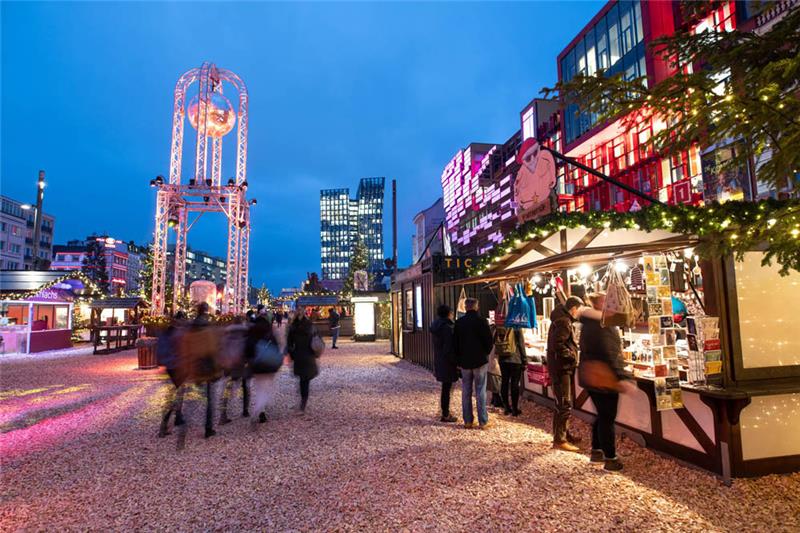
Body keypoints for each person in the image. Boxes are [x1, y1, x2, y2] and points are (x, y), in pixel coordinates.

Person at [578, 292, 627, 471]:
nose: (614, 305)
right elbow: (609, 352)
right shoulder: (602, 325)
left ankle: (597, 451)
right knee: (607, 417)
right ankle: (610, 458)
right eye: (610, 301)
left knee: (601, 415)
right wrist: (621, 376)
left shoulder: (589, 323)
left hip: (591, 374)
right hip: (604, 376)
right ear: (600, 304)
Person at [546, 296, 584, 452]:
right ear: (574, 308)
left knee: (561, 403)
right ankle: (560, 439)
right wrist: (573, 356)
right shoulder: (564, 322)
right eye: (579, 310)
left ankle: (563, 434)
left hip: (558, 366)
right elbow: (558, 344)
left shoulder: (560, 319)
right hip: (561, 367)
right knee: (564, 403)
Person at [453, 298, 494, 429]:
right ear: (477, 307)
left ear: (465, 307)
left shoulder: (459, 323)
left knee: (466, 391)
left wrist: (458, 360)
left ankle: (468, 421)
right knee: (480, 390)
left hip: (465, 361)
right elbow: (489, 341)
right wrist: (485, 353)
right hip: (480, 360)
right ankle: (483, 421)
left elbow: (455, 344)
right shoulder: (482, 321)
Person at [157, 311, 187, 438]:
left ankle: (177, 416)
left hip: (170, 365)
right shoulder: (179, 333)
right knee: (176, 394)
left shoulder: (166, 332)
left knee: (177, 392)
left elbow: (161, 349)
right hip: (178, 365)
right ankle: (166, 422)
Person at [245, 316, 280, 425]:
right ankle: (258, 411)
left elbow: (247, 349)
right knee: (266, 390)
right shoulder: (269, 334)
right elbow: (276, 349)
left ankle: (261, 411)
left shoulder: (252, 333)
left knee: (259, 389)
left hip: (256, 366)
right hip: (268, 366)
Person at [218, 315, 249, 425]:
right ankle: (245, 410)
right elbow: (247, 350)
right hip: (241, 364)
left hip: (228, 364)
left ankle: (223, 413)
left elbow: (221, 349)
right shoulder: (245, 334)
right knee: (245, 386)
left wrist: (222, 362)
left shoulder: (226, 334)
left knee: (227, 389)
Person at [287, 308, 319, 412]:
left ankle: (302, 401)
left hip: (299, 355)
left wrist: (292, 355)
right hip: (309, 355)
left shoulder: (293, 327)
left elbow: (289, 344)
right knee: (306, 379)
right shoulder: (310, 325)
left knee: (302, 379)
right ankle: (304, 401)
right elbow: (317, 339)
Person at [430, 304, 458, 423]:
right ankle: (445, 414)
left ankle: (445, 412)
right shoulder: (447, 327)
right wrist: (456, 361)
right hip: (447, 362)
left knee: (445, 388)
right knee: (447, 388)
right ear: (449, 313)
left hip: (439, 360)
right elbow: (448, 347)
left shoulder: (436, 326)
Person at [495, 326, 525, 417]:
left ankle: (507, 408)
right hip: (515, 359)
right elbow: (521, 344)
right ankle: (515, 409)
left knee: (504, 382)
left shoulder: (499, 326)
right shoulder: (517, 327)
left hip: (503, 359)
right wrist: (524, 360)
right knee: (514, 384)